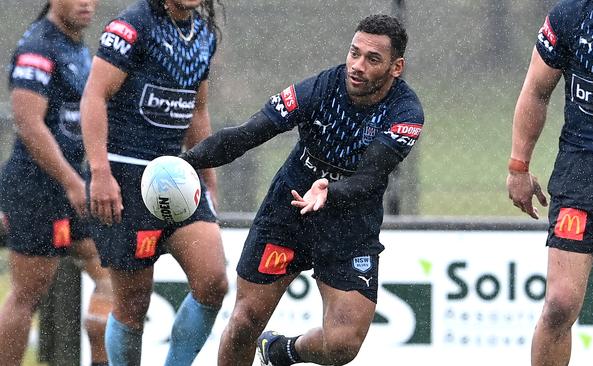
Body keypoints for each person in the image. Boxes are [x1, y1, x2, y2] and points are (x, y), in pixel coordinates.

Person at [179, 14, 424, 366]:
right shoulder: (319, 89)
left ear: (395, 67)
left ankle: (281, 351)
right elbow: (248, 134)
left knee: (342, 345)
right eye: (354, 53)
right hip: (288, 213)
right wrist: (186, 161)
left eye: (373, 59)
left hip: (349, 225)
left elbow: (371, 177)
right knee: (245, 322)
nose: (357, 66)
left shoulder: (406, 113)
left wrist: (331, 191)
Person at [79, 0, 228, 365]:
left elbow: (198, 110)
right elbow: (93, 96)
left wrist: (208, 179)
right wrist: (100, 172)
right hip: (123, 179)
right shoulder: (132, 25)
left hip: (177, 177)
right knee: (132, 306)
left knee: (213, 283)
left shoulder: (204, 34)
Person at [507, 0, 593, 364]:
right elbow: (536, 91)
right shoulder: (571, 16)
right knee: (560, 304)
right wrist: (518, 167)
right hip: (583, 174)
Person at [0, 1, 112, 366]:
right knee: (27, 294)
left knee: (111, 270)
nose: (87, 4)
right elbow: (29, 124)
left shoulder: (76, 45)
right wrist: (71, 180)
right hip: (35, 186)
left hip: (72, 183)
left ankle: (100, 350)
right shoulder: (37, 47)